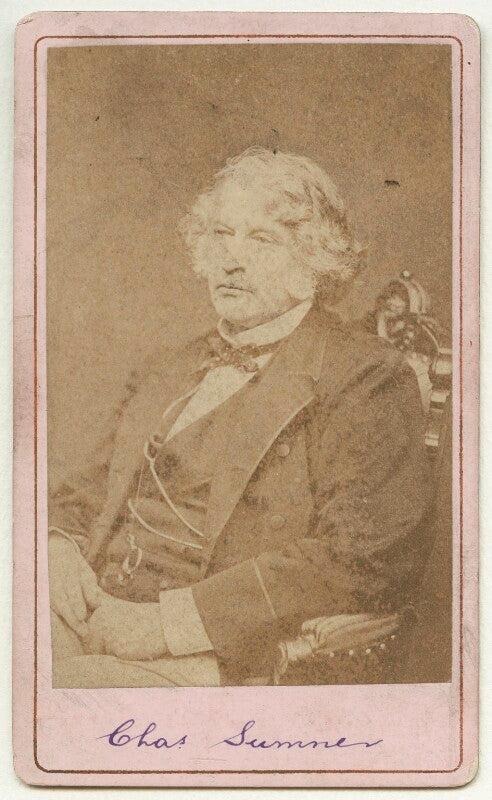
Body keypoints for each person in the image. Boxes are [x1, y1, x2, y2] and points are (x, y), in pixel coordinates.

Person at [49, 147, 432, 688]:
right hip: (91, 609)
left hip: (220, 655)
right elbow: (86, 490)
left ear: (314, 262)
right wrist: (58, 547)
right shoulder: (169, 366)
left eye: (262, 240)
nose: (231, 259)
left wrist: (168, 625)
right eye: (222, 235)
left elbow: (362, 559)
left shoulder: (365, 377)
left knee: (65, 699)